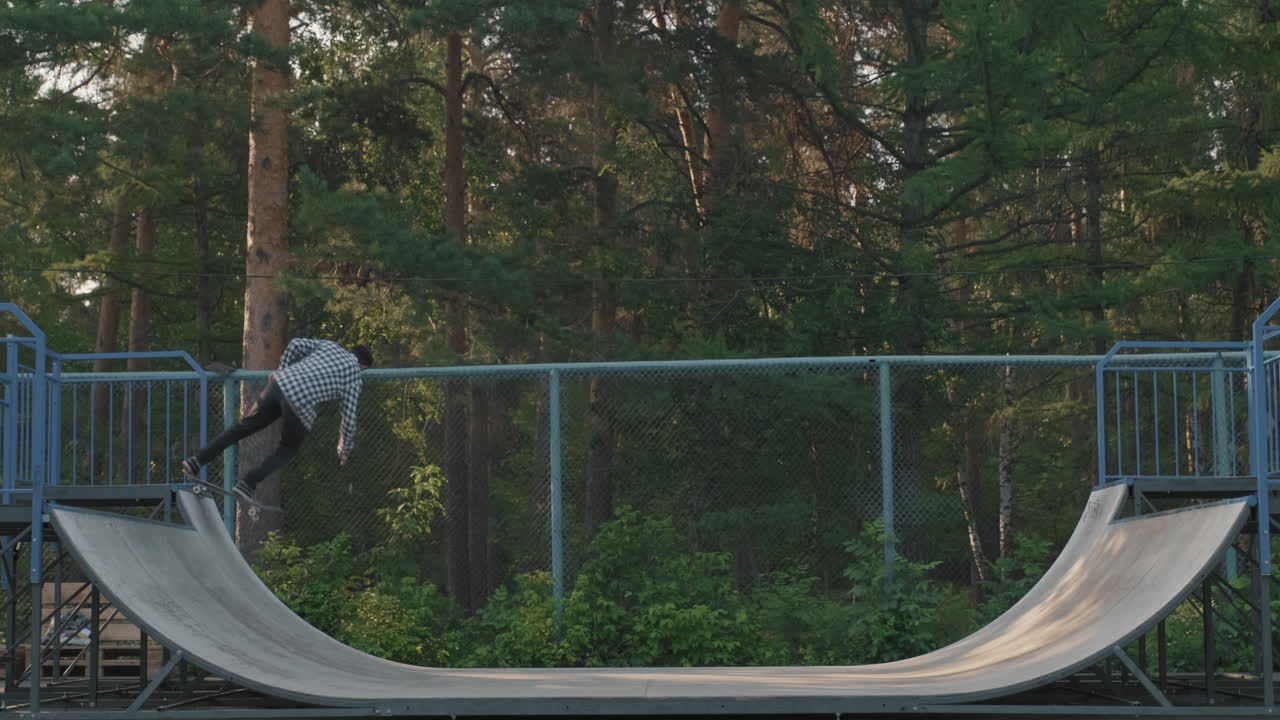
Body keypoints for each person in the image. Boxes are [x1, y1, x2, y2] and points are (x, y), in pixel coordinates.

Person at [181, 339, 373, 503]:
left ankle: (197, 460)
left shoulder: (331, 346)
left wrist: (281, 371)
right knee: (288, 448)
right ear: (363, 367)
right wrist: (344, 450)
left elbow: (296, 343)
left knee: (244, 427)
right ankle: (248, 483)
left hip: (279, 383)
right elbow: (349, 417)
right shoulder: (355, 378)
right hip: (299, 401)